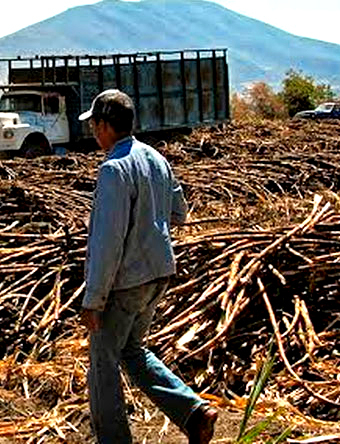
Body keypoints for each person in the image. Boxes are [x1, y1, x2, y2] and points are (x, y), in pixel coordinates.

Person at [78, 89, 216, 444]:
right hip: (158, 274)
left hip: (126, 282)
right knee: (132, 350)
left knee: (102, 366)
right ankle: (194, 413)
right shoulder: (155, 158)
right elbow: (179, 213)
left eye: (95, 124)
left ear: (107, 125)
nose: (93, 131)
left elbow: (106, 243)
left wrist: (93, 299)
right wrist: (149, 224)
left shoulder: (113, 170)